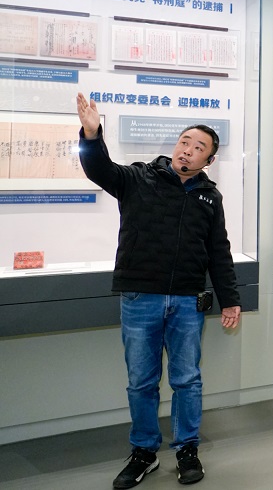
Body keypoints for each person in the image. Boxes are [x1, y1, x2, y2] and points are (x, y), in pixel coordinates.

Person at [75, 93, 241, 489]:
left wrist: (230, 299)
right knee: (141, 381)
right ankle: (144, 452)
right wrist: (92, 134)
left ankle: (187, 449)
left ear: (209, 160)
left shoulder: (210, 197)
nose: (188, 150)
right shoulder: (138, 178)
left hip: (187, 301)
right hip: (140, 297)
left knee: (187, 380)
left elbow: (218, 252)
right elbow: (99, 169)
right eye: (185, 142)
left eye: (199, 148)